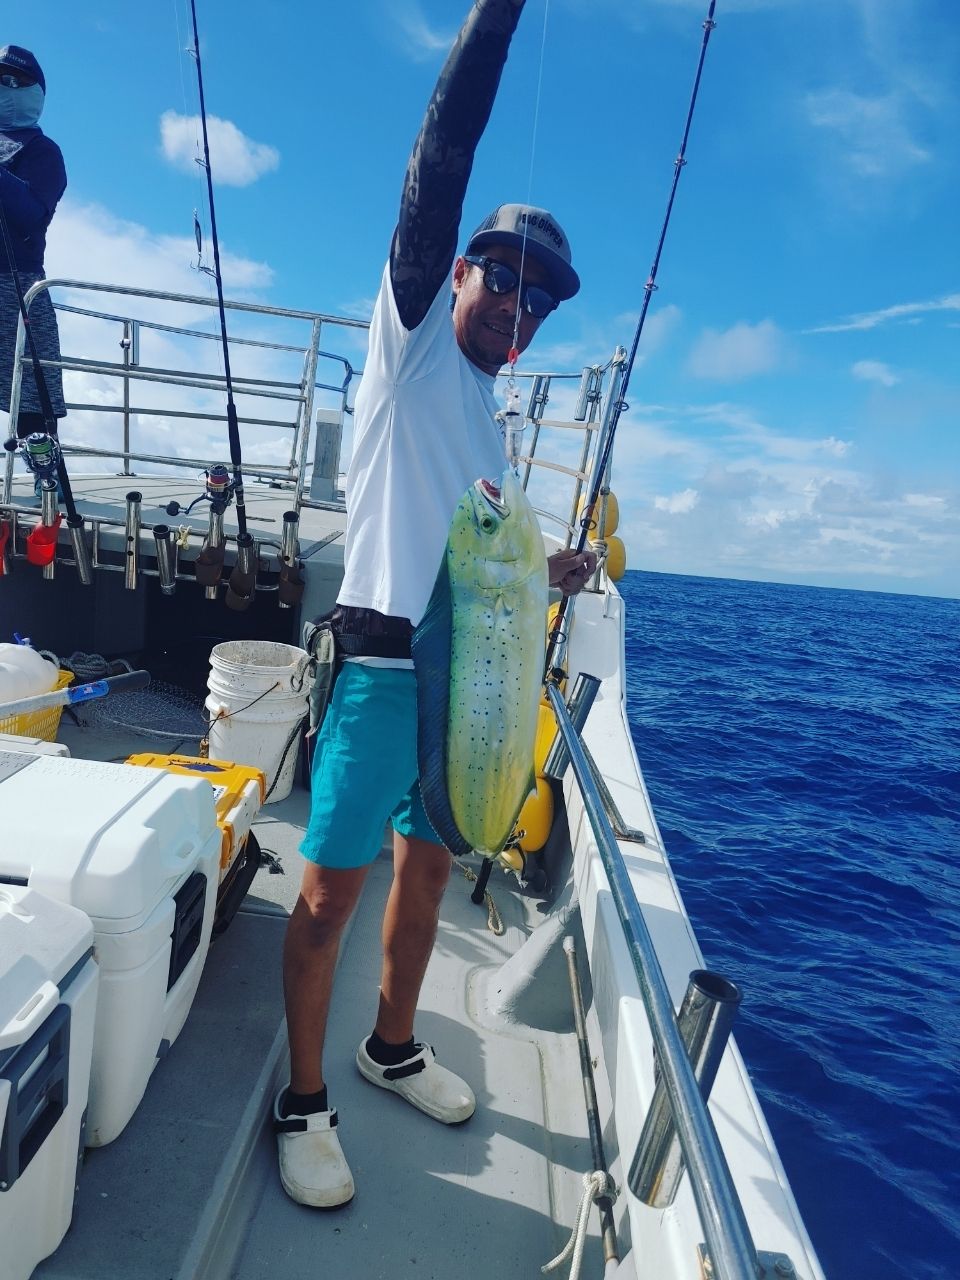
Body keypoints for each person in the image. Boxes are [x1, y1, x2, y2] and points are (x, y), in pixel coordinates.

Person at [276, 0, 597, 1209]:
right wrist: (496, 22)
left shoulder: (491, 416)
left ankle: (390, 1042)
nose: (519, 303)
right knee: (330, 888)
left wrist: (545, 568)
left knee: (423, 873)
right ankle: (301, 1098)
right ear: (454, 272)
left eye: (541, 299)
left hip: (461, 681)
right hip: (376, 669)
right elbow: (441, 156)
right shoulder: (409, 342)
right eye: (504, 276)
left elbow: (472, 554)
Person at [0, 44, 66, 441]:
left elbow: (30, 215)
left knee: (32, 400)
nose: (5, 88)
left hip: (17, 282)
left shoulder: (44, 152)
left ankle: (46, 485)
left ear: (36, 92)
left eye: (15, 82)